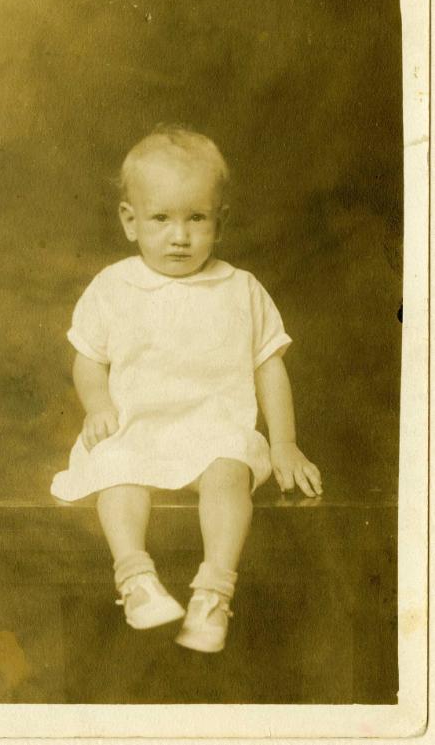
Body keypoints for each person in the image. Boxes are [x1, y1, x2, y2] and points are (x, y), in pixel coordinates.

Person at [51, 125, 322, 653]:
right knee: (117, 473)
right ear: (130, 222)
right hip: (140, 428)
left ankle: (213, 592)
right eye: (161, 219)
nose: (180, 236)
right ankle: (136, 580)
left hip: (211, 430)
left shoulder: (240, 288)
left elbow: (269, 368)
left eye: (196, 218)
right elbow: (89, 359)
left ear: (220, 222)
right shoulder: (114, 286)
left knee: (229, 472)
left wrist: (284, 443)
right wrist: (99, 405)